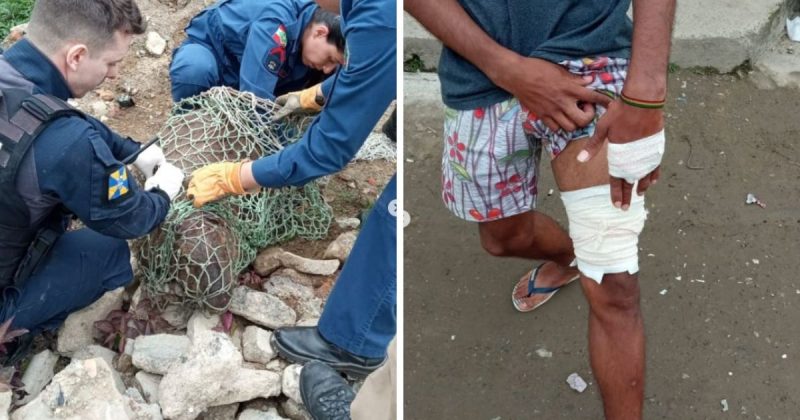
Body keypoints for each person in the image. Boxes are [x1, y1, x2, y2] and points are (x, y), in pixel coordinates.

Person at [406, 0, 675, 418]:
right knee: (502, 240)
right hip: (481, 70)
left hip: (591, 55)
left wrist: (647, 93)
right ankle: (566, 255)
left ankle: (586, 260)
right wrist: (506, 68)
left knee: (613, 277)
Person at [186, 0, 396, 381]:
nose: (332, 67)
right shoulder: (294, 23)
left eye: (336, 63)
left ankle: (353, 343)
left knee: (392, 216)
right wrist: (313, 96)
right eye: (333, 58)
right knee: (194, 72)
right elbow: (254, 106)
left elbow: (329, 147)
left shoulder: (375, 18)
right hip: (220, 55)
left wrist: (237, 178)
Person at [0, 0, 184, 360]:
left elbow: (46, 112)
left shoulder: (11, 73)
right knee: (108, 252)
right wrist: (163, 192)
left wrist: (130, 150)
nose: (114, 74)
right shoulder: (70, 145)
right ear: (77, 56)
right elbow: (132, 218)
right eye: (111, 62)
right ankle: (12, 332)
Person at [169, 0, 345, 110]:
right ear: (320, 33)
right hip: (217, 58)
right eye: (330, 59)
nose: (328, 69)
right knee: (194, 71)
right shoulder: (276, 23)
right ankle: (189, 122)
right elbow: (255, 100)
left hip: (260, 77)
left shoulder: (318, 45)